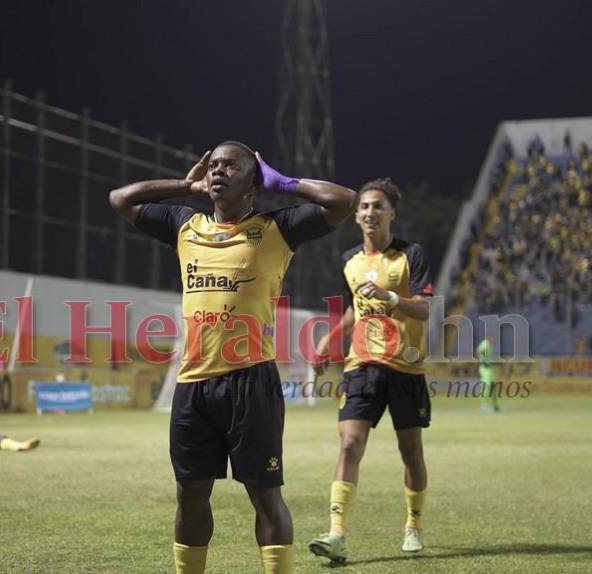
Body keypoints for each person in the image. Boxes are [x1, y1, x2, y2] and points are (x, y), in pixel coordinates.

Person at [110, 141, 355, 574]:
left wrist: (285, 183)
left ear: (253, 181)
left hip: (251, 382)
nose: (219, 171)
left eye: (232, 165)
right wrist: (186, 184)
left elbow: (343, 202)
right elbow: (121, 199)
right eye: (215, 165)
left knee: (265, 495)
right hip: (193, 386)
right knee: (190, 492)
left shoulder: (277, 227)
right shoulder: (185, 224)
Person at [307, 178, 433, 564]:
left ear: (392, 213)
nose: (369, 212)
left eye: (377, 206)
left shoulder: (411, 254)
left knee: (410, 450)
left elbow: (425, 309)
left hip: (407, 367)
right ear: (356, 215)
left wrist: (391, 297)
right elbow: (353, 308)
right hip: (361, 365)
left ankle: (413, 525)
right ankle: (337, 534)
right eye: (363, 206)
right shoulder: (349, 260)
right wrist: (329, 340)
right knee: (348, 444)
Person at [477, 334, 499, 413]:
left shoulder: (490, 346)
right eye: (493, 338)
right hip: (485, 368)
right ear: (489, 337)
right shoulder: (485, 344)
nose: (494, 340)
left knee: (493, 388)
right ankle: (484, 406)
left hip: (490, 369)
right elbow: (479, 351)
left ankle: (495, 406)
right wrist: (482, 360)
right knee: (486, 387)